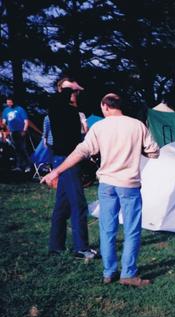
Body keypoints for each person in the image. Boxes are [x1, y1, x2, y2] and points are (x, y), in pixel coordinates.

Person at [42, 93, 160, 287]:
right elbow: (154, 152)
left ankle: (109, 272)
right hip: (129, 185)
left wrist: (56, 171)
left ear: (105, 106)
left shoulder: (99, 127)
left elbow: (81, 151)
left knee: (107, 229)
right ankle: (128, 274)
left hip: (106, 185)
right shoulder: (137, 125)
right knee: (131, 230)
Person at [46, 78, 98, 259]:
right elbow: (57, 98)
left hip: (69, 159)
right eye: (72, 91)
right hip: (66, 160)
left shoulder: (74, 111)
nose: (76, 93)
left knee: (62, 205)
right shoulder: (57, 108)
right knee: (79, 204)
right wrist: (71, 87)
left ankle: (55, 246)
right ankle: (81, 248)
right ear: (63, 91)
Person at [2, 96, 31, 172]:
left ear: (13, 102)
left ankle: (28, 166)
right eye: (7, 102)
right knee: (16, 149)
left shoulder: (20, 109)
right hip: (11, 132)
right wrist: (5, 128)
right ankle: (18, 166)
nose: (9, 104)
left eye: (10, 102)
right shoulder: (6, 110)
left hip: (20, 131)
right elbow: (4, 121)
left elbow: (26, 121)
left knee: (23, 148)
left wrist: (24, 130)